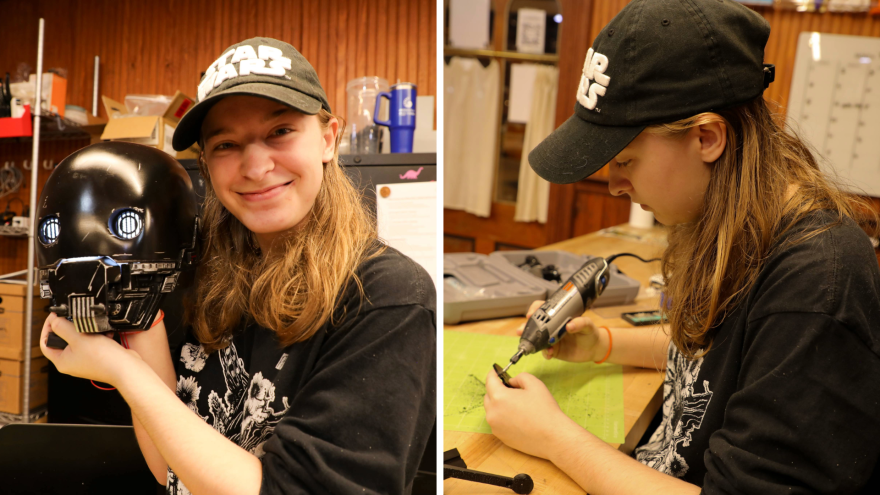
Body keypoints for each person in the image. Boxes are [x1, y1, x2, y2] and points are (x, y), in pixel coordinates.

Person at [483, 1, 880, 493]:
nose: (613, 185)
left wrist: (554, 437)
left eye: (625, 160)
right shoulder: (743, 229)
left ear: (707, 137)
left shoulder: (818, 282)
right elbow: (726, 358)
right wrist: (603, 345)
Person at [39, 37, 436, 495]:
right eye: (226, 144)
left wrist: (124, 373)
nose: (255, 165)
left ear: (328, 140)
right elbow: (174, 472)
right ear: (205, 163)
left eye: (280, 131)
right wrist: (137, 328)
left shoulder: (387, 298)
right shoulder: (196, 275)